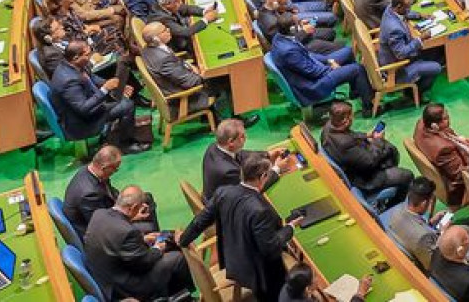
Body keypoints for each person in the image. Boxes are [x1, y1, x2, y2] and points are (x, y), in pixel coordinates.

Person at [178, 153, 301, 302]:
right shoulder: (261, 211)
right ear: (262, 177)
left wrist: (183, 240)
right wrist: (290, 228)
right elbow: (270, 247)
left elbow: (200, 222)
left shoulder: (223, 192)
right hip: (257, 273)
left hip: (231, 260)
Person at [85, 186, 187, 302]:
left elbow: (116, 239)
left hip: (106, 276)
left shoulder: (99, 214)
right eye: (138, 208)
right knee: (177, 258)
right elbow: (143, 264)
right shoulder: (127, 232)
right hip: (124, 287)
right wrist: (158, 248)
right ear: (133, 207)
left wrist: (142, 240)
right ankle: (181, 297)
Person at [320, 102, 413, 209]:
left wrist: (366, 135)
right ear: (346, 120)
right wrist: (378, 140)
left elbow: (350, 134)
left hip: (353, 164)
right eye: (351, 115)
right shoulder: (345, 144)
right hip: (365, 179)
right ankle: (394, 205)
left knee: (388, 151)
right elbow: (370, 161)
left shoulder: (328, 127)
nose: (353, 117)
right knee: (407, 175)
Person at [63, 146, 126, 235]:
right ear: (104, 168)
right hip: (95, 235)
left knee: (145, 198)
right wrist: (126, 213)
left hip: (104, 212)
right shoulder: (89, 194)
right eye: (115, 169)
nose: (115, 172)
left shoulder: (89, 170)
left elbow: (110, 191)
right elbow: (101, 224)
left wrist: (126, 200)